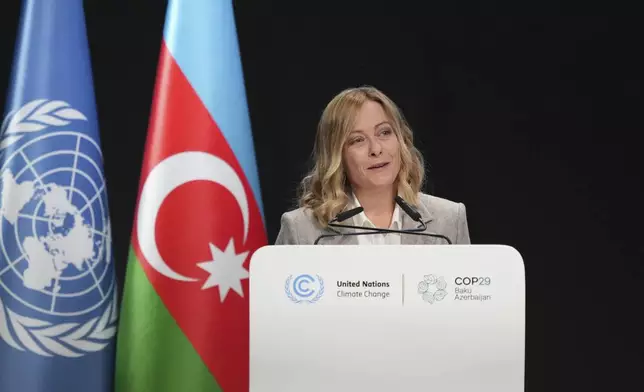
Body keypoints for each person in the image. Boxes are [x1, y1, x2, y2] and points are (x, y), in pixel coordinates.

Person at [275, 86, 470, 245]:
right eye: (358, 140)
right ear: (336, 154)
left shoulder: (449, 220)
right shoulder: (302, 229)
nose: (376, 149)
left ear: (401, 140)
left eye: (384, 132)